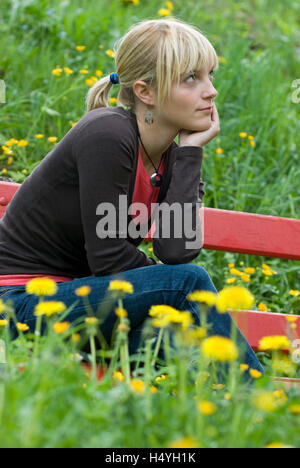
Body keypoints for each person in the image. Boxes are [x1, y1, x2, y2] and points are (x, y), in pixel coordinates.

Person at [0, 18, 264, 375]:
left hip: (82, 305)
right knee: (188, 282)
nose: (211, 91)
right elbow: (109, 259)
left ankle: (228, 414)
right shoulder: (107, 135)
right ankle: (262, 402)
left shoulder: (171, 153)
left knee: (168, 338)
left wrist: (189, 154)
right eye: (191, 78)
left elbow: (175, 250)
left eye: (210, 75)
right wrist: (168, 282)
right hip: (20, 306)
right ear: (146, 92)